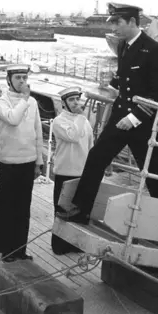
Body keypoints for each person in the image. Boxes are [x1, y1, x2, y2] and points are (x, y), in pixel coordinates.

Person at [57, 5, 158, 225]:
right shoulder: (123, 47)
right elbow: (124, 78)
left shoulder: (154, 50)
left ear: (132, 22)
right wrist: (109, 87)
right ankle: (81, 210)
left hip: (144, 123)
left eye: (117, 23)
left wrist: (134, 118)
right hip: (120, 118)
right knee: (96, 158)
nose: (113, 28)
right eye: (112, 23)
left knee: (150, 172)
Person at [0, 65, 44, 262]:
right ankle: (6, 248)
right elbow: (13, 119)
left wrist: (39, 162)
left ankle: (20, 249)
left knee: (23, 208)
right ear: (9, 80)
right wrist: (24, 100)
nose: (22, 81)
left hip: (28, 162)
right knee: (7, 207)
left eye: (24, 77)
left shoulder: (33, 102)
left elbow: (38, 132)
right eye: (18, 78)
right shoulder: (0, 102)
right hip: (9, 162)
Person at [51, 87, 93, 254]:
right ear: (64, 103)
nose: (76, 103)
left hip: (83, 171)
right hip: (65, 171)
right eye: (71, 100)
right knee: (62, 210)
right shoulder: (59, 121)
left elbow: (90, 143)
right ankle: (59, 246)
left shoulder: (84, 121)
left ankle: (75, 244)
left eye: (77, 99)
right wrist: (82, 116)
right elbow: (73, 136)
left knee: (80, 210)